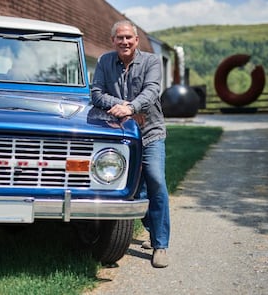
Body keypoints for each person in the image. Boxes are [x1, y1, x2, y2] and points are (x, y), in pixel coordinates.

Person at [91, 20, 170, 268]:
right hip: (120, 135)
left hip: (150, 132)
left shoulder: (151, 62)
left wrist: (132, 106)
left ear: (136, 40)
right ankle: (147, 229)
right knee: (134, 187)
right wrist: (123, 108)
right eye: (119, 38)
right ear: (113, 40)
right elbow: (96, 93)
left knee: (155, 179)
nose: (124, 42)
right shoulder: (105, 61)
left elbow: (152, 91)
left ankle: (160, 245)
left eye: (129, 38)